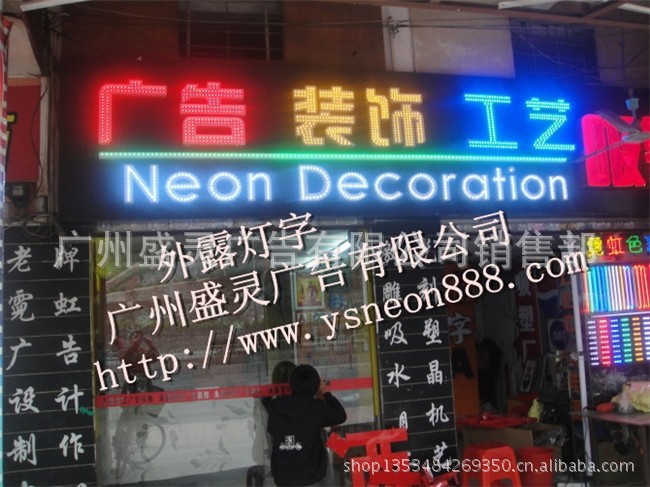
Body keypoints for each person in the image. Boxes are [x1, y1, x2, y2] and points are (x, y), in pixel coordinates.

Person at [265, 364, 347, 486]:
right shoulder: (315, 407)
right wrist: (325, 392)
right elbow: (340, 415)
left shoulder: (276, 406)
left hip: (283, 477)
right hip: (310, 476)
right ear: (316, 385)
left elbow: (272, 430)